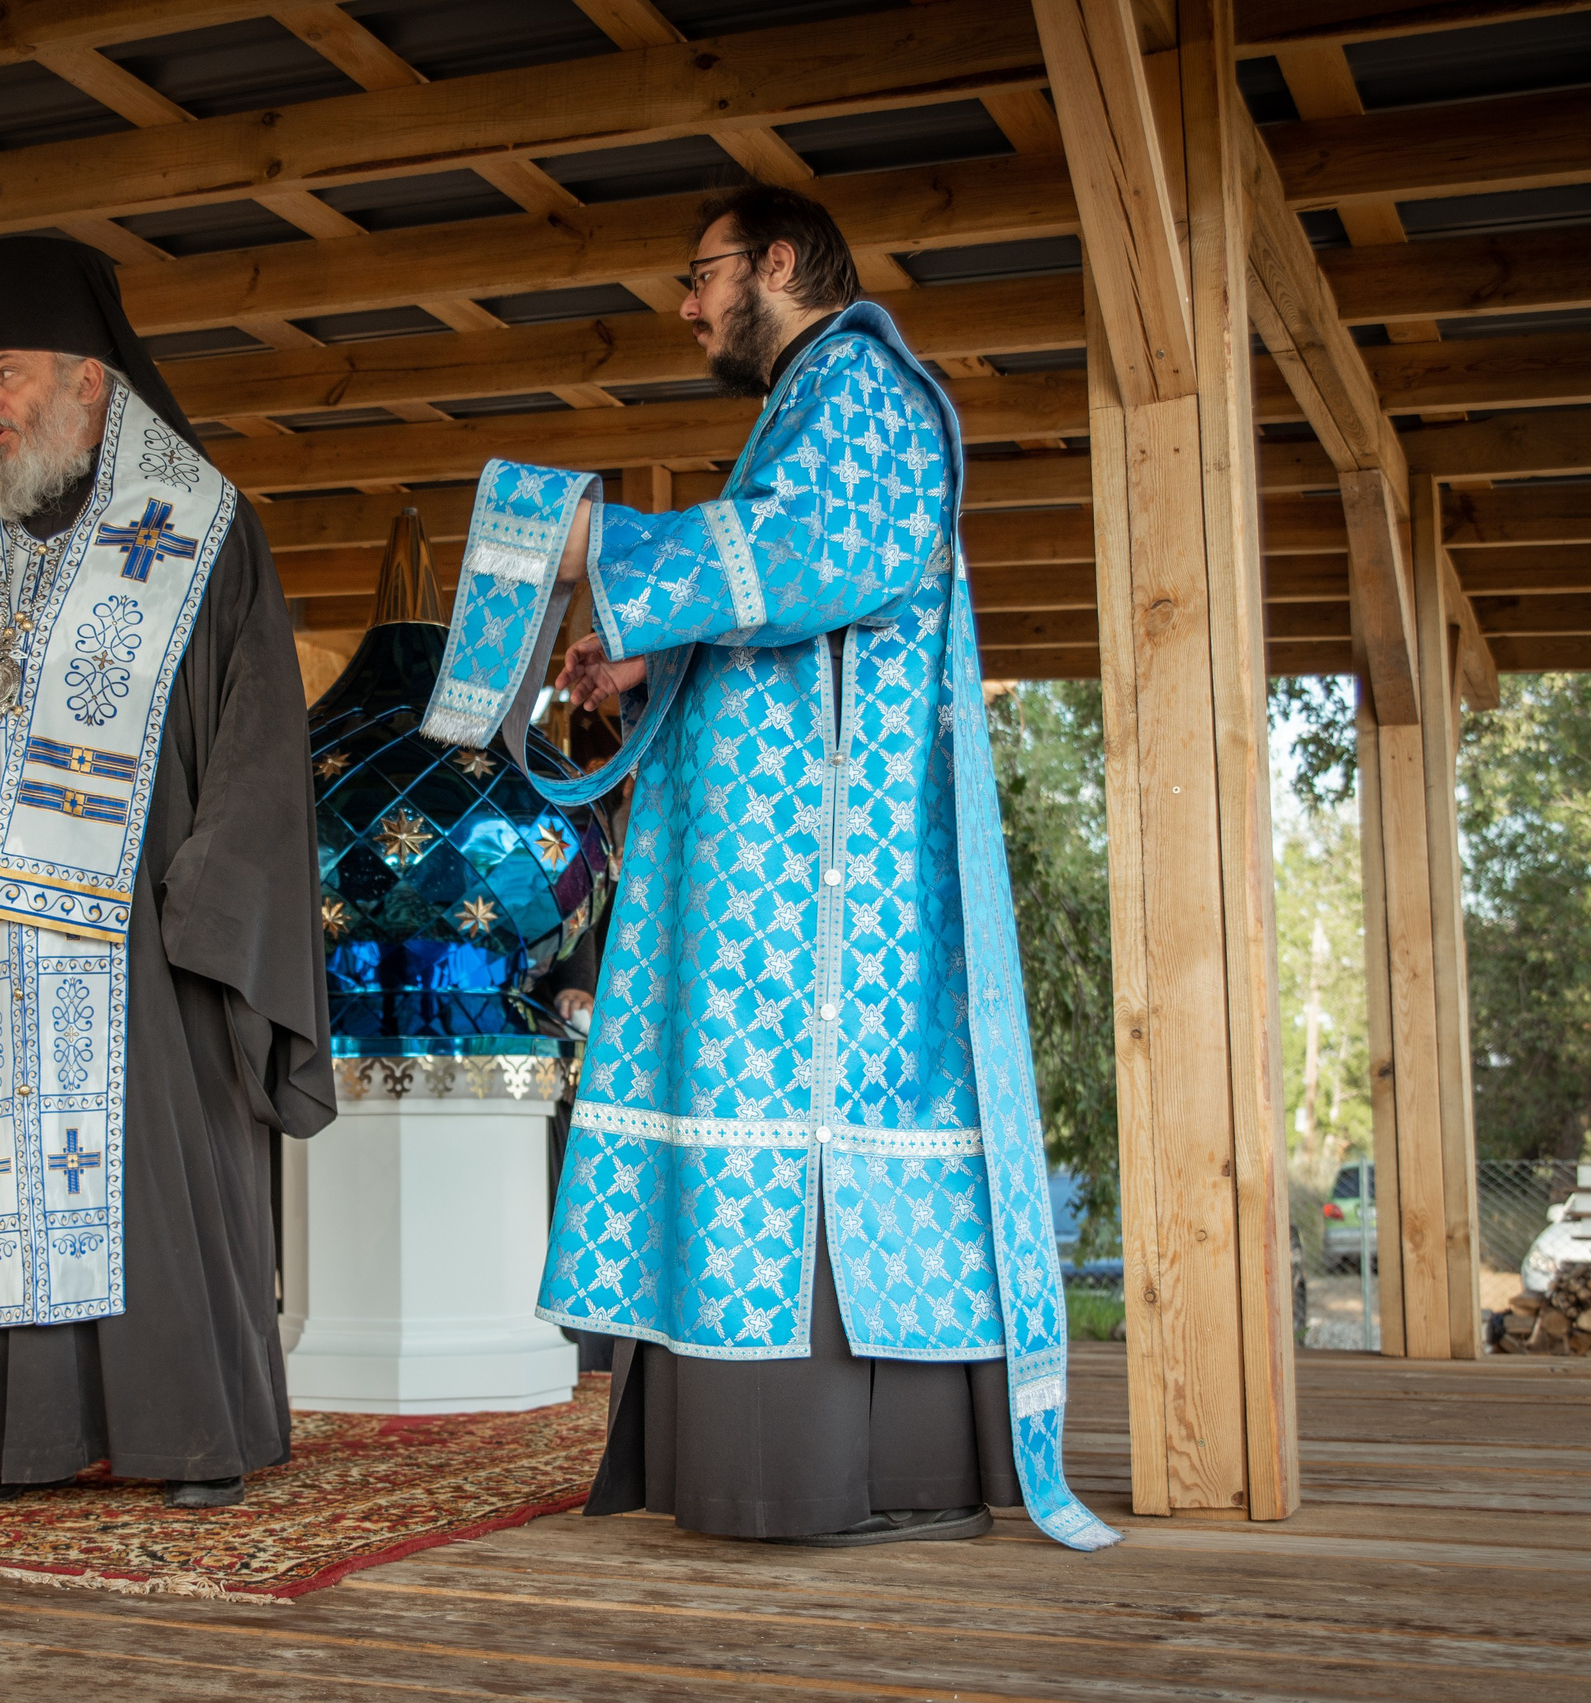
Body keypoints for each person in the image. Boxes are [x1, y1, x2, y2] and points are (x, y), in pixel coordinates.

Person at [415, 185, 1118, 1552]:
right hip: (758, 875)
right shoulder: (802, 406)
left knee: (796, 1118)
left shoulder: (866, 383)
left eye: (700, 276)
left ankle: (832, 1468)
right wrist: (643, 653)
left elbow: (817, 555)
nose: (686, 308)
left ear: (776, 262)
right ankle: (732, 1458)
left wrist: (600, 549)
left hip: (828, 895)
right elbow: (775, 614)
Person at [0, 235, 333, 1510]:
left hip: (137, 925)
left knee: (152, 1190)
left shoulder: (204, 529)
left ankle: (188, 1433)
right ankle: (16, 1440)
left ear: (92, 381)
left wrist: (207, 903)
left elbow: (259, 733)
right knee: (6, 1181)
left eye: (5, 372)